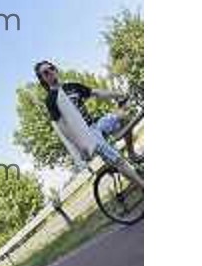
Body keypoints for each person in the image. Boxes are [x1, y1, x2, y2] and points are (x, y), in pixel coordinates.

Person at [34, 60, 144, 189]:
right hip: (87, 136)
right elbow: (62, 127)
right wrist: (80, 145)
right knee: (119, 161)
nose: (50, 73)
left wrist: (119, 94)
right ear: (43, 80)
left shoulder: (72, 86)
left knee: (124, 117)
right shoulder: (51, 100)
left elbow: (96, 93)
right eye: (45, 73)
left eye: (51, 68)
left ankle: (131, 153)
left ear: (56, 69)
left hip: (96, 124)